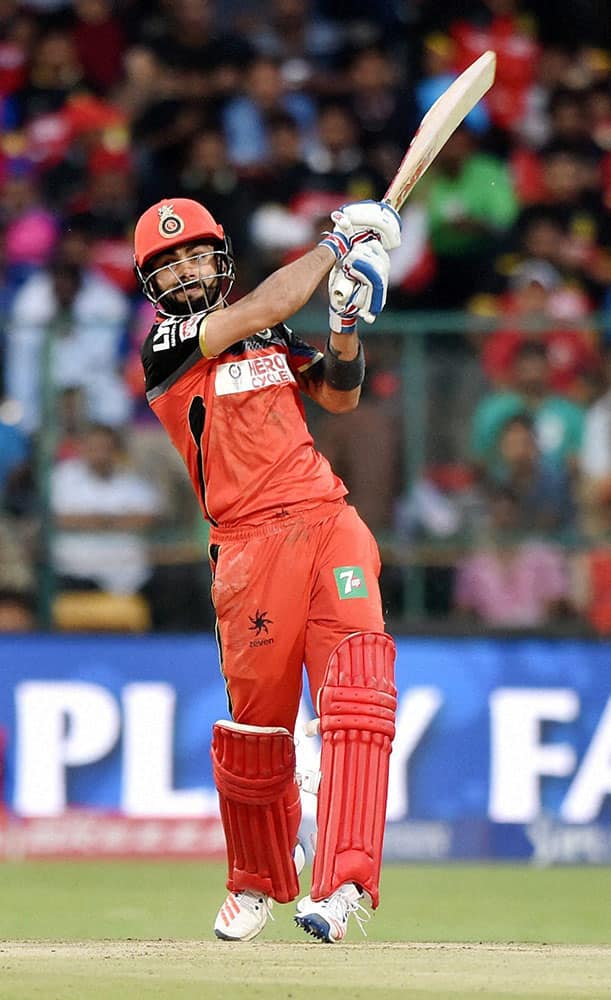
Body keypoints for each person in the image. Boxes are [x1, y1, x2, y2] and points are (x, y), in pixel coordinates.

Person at [133, 195, 401, 943]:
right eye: (168, 264)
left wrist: (345, 326)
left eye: (194, 255)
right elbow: (267, 303)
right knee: (259, 733)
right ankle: (256, 880)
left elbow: (338, 397)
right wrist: (335, 246)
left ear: (217, 257)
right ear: (150, 283)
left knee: (358, 695)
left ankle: (344, 883)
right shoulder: (169, 345)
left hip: (328, 521)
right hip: (248, 550)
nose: (185, 272)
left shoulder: (271, 330)